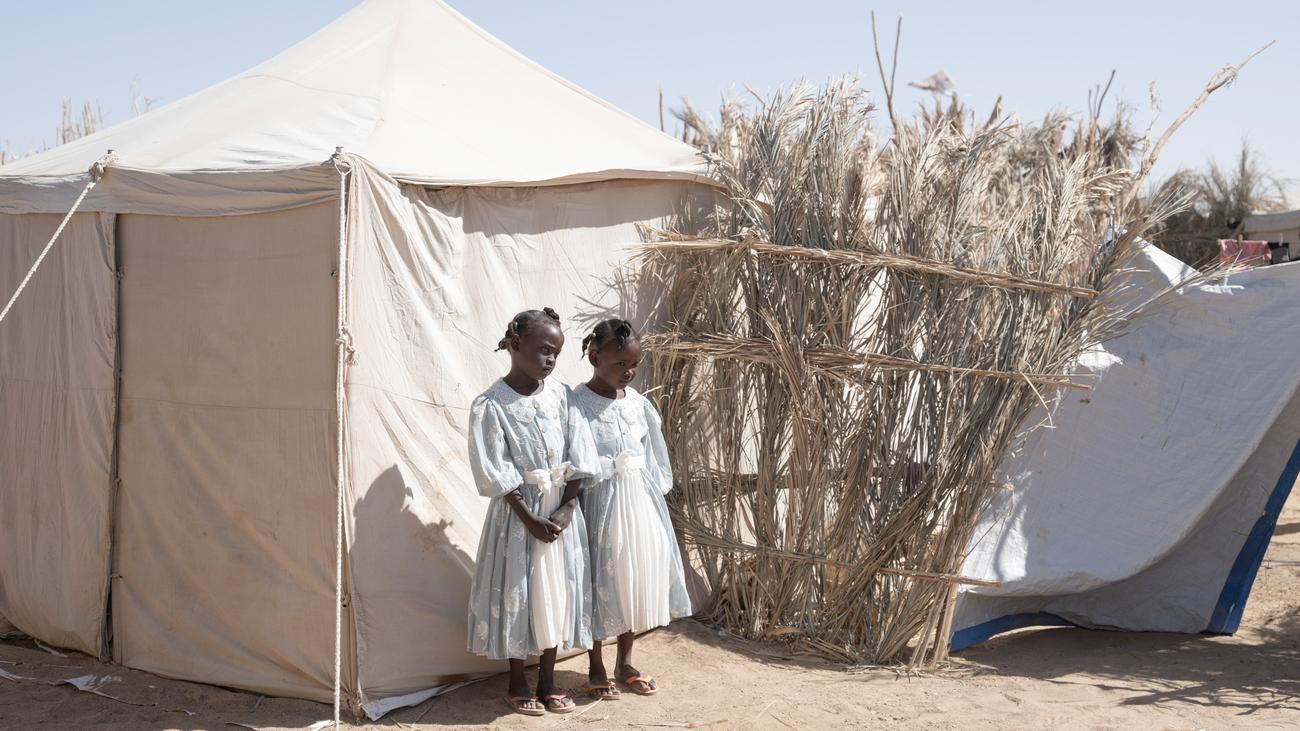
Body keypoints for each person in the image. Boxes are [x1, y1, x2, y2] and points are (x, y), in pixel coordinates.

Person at [466, 307, 599, 716]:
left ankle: (548, 678)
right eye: (544, 350)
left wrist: (569, 506)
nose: (550, 360)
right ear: (515, 344)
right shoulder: (492, 404)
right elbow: (494, 467)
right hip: (518, 515)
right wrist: (528, 518)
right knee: (519, 590)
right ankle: (517, 679)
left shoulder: (563, 397)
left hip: (559, 512)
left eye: (556, 353)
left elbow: (580, 454)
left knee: (555, 591)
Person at [572, 318, 691, 700]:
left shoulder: (639, 404)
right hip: (598, 502)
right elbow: (571, 456)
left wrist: (653, 498)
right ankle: (595, 663)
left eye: (634, 365)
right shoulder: (576, 404)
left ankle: (625, 662)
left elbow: (654, 455)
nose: (628, 371)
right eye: (619, 364)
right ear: (595, 358)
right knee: (597, 579)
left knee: (631, 577)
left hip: (637, 503)